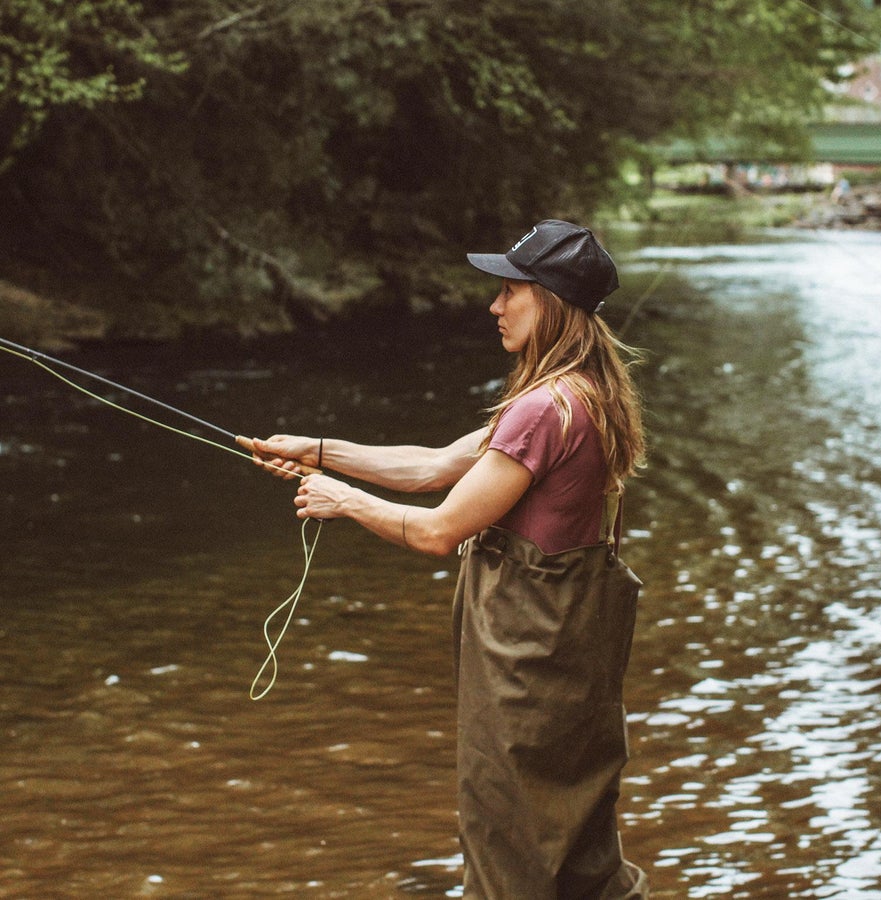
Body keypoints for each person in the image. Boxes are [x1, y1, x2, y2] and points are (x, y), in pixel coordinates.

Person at [239, 219, 649, 899]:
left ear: (549, 299)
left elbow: (438, 530)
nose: (495, 305)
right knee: (580, 846)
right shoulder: (586, 393)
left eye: (509, 290)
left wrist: (342, 500)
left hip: (526, 661)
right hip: (574, 656)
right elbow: (432, 466)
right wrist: (316, 450)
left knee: (507, 841)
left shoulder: (541, 410)